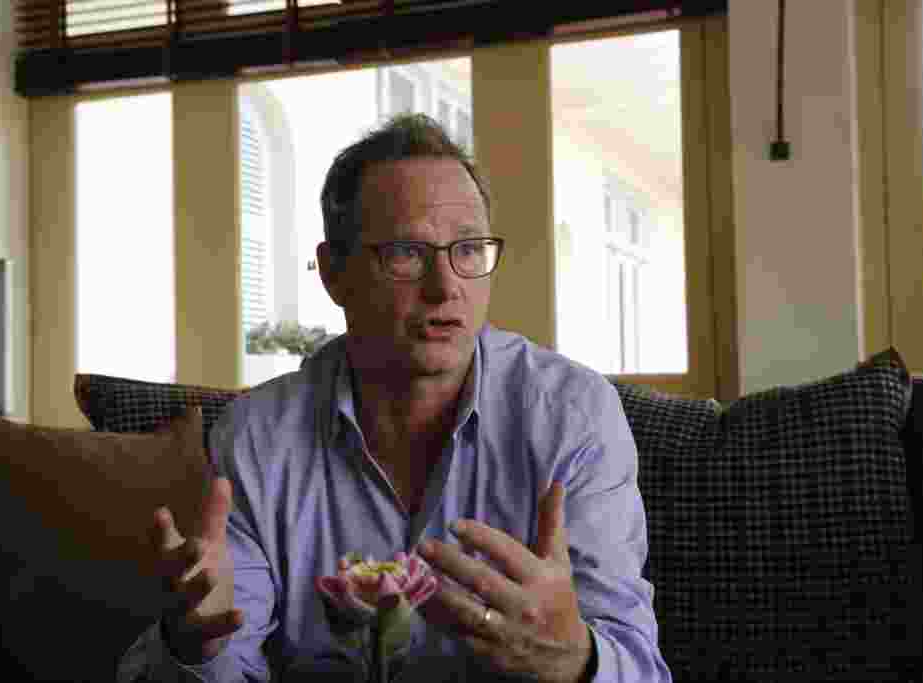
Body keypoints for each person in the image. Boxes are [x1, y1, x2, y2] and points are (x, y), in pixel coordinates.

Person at [119, 113, 673, 682]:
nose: (445, 287)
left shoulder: (574, 418)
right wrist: (197, 647)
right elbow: (227, 650)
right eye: (407, 252)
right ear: (333, 273)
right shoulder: (257, 439)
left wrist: (576, 659)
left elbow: (638, 666)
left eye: (469, 250)